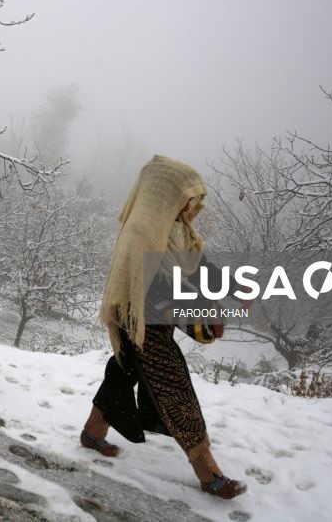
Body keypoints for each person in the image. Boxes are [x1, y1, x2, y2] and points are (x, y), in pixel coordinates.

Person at [81, 155, 247, 500]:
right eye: (188, 195)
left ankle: (92, 432)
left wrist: (233, 287)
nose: (194, 203)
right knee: (175, 390)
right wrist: (204, 312)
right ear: (166, 193)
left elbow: (196, 265)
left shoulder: (176, 228)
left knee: (122, 374)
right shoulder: (144, 230)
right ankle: (208, 471)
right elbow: (156, 291)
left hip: (152, 326)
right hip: (141, 326)